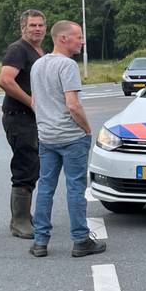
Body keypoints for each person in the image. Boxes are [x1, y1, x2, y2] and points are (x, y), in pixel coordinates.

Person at [29, 20, 105, 258]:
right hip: (71, 137)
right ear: (63, 38)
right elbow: (73, 104)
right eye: (78, 37)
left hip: (47, 136)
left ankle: (40, 241)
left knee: (45, 187)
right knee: (75, 188)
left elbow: (35, 102)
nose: (82, 41)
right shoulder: (67, 65)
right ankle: (80, 240)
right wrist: (87, 129)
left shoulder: (38, 65)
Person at [0, 9, 46, 240]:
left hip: (32, 119)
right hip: (19, 117)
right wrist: (31, 102)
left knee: (33, 164)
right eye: (32, 25)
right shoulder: (18, 49)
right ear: (23, 28)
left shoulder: (39, 51)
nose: (37, 29)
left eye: (40, 25)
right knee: (25, 166)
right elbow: (5, 80)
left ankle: (25, 215)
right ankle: (19, 221)